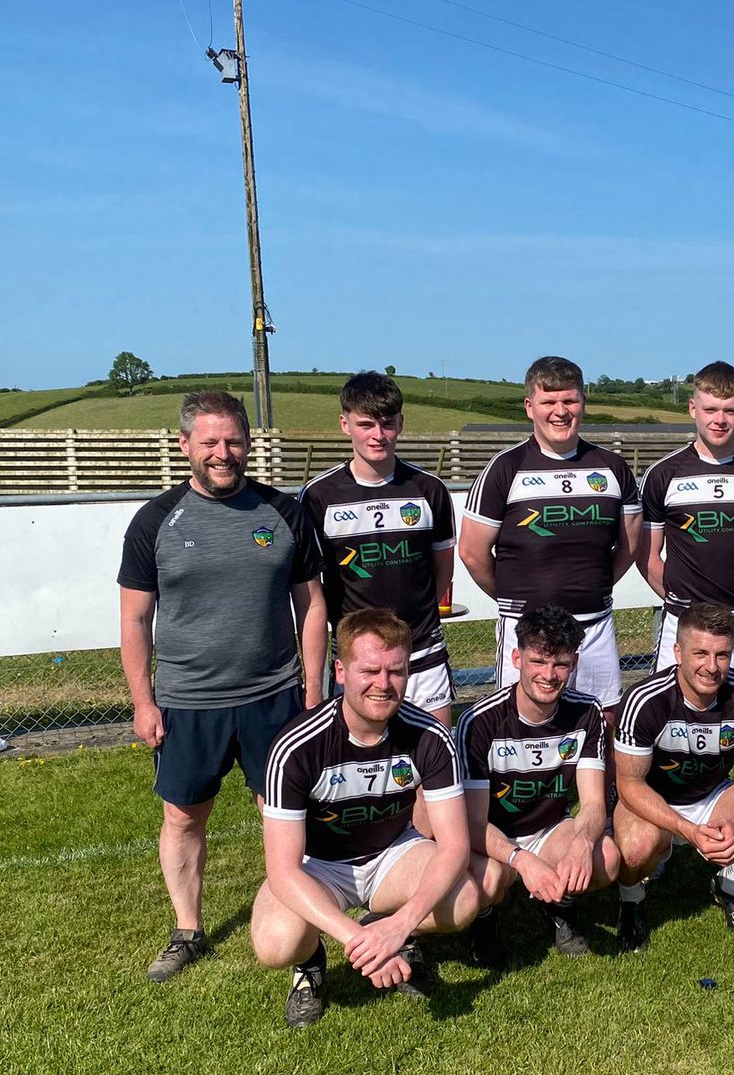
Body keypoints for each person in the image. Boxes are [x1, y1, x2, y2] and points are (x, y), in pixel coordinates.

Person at [118, 390, 327, 983]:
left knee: (284, 816)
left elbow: (312, 607)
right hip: (188, 702)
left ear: (247, 443)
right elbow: (135, 619)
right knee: (184, 818)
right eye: (209, 441)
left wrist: (311, 690)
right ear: (185, 445)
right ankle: (188, 929)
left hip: (275, 697)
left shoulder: (284, 513)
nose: (222, 452)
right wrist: (143, 701)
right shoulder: (155, 521)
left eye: (233, 440)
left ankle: (300, 945)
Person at [251, 609, 480, 1028]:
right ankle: (311, 961)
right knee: (275, 944)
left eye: (396, 671)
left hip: (393, 854)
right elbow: (282, 870)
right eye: (370, 670)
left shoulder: (430, 735)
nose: (383, 684)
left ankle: (393, 927)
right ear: (340, 670)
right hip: (318, 867)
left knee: (465, 899)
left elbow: (455, 846)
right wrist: (358, 941)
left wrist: (399, 925)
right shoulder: (295, 746)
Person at [459, 355, 641, 720]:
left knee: (601, 728)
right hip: (525, 633)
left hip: (594, 628)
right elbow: (472, 553)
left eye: (570, 400)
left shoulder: (613, 468)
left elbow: (630, 546)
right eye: (549, 402)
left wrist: (593, 587)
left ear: (583, 403)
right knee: (517, 730)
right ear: (530, 407)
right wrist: (515, 598)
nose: (560, 411)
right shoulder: (504, 469)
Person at [612, 603, 734, 950]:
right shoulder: (644, 700)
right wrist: (686, 830)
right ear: (677, 652)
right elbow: (629, 784)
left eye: (722, 655)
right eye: (700, 653)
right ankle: (631, 901)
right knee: (636, 850)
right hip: (655, 798)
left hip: (713, 795)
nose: (711, 667)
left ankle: (730, 886)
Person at [456, 605, 619, 967]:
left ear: (574, 663)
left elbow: (593, 804)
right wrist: (520, 859)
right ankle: (485, 923)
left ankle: (558, 908)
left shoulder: (587, 713)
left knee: (604, 858)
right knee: (488, 881)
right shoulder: (479, 721)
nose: (549, 675)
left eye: (560, 664)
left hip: (548, 830)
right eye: (538, 662)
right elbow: (472, 824)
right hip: (494, 838)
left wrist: (581, 842)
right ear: (516, 658)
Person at [299, 371, 456, 725]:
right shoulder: (319, 496)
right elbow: (312, 587)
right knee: (364, 760)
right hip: (359, 656)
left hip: (422, 650)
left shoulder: (428, 489)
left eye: (387, 424)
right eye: (366, 424)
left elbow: (442, 570)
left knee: (437, 762)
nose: (377, 435)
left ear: (401, 423)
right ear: (345, 424)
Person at [637, 361, 734, 684]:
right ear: (693, 408)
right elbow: (648, 558)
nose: (720, 420)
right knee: (672, 725)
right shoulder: (662, 475)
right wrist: (683, 602)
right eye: (711, 409)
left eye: (730, 411)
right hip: (685, 626)